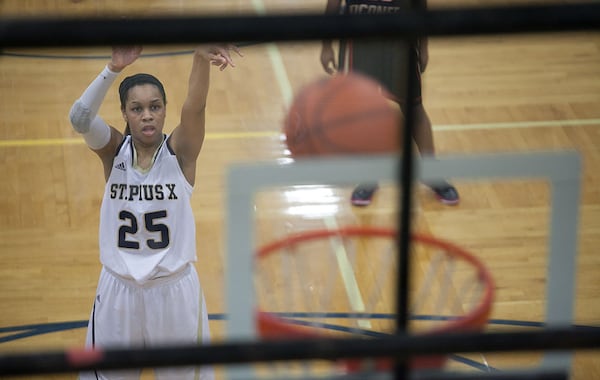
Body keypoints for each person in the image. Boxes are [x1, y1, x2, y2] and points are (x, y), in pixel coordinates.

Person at [69, 44, 241, 380]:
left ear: (164, 111)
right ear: (125, 113)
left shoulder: (180, 154)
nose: (147, 114)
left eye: (155, 107)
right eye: (137, 108)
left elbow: (196, 106)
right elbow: (79, 118)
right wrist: (112, 69)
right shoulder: (113, 151)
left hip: (174, 291)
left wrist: (199, 60)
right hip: (118, 289)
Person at [320, 0, 459, 207]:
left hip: (400, 39)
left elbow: (420, 4)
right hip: (359, 41)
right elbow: (333, 4)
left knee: (413, 107)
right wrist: (326, 46)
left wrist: (423, 44)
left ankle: (431, 172)